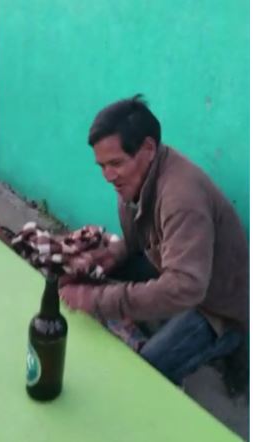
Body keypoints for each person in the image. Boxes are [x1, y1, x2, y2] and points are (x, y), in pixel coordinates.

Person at [58, 95, 249, 390]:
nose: (108, 176)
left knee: (145, 374)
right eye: (101, 166)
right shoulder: (133, 179)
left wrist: (97, 302)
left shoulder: (181, 198)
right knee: (90, 272)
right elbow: (139, 239)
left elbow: (186, 288)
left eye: (115, 164)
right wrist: (114, 254)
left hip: (218, 307)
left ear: (148, 148)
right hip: (182, 272)